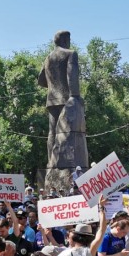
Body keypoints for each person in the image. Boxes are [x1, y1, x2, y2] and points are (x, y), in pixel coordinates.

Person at [37, 30, 88, 169]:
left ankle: (51, 163)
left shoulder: (48, 58)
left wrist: (53, 85)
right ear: (66, 40)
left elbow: (41, 80)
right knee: (69, 133)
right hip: (67, 99)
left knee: (52, 132)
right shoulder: (70, 53)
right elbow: (72, 77)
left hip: (52, 100)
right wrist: (75, 97)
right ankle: (68, 164)